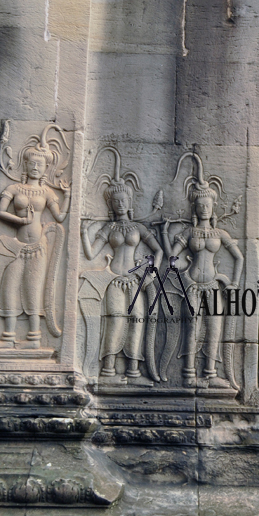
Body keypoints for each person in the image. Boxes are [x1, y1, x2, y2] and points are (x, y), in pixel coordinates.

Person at [81, 147, 164, 383]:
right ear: (111, 204)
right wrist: (85, 232)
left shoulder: (138, 228)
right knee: (116, 318)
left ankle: (133, 369)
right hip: (114, 278)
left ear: (129, 202)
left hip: (136, 280)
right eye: (115, 201)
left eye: (123, 200)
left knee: (137, 319)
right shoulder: (109, 228)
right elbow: (90, 253)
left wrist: (151, 271)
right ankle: (108, 368)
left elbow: (157, 251)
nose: (119, 204)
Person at [162, 153, 243, 389]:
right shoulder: (189, 233)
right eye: (200, 205)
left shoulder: (220, 234)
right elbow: (171, 259)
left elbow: (238, 258)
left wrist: (233, 283)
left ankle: (210, 372)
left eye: (208, 205)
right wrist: (167, 239)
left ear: (213, 206)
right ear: (195, 208)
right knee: (193, 328)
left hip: (214, 286)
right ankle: (188, 374)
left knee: (214, 327)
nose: (205, 208)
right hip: (193, 284)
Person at [0, 138, 69, 348]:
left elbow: (60, 217)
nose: (35, 167)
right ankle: (8, 335)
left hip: (38, 246)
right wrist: (20, 220)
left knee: (32, 289)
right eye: (32, 163)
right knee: (9, 287)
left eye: (40, 164)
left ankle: (34, 337)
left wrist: (68, 195)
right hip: (15, 245)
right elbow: (0, 211)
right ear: (25, 164)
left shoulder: (47, 192)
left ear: (46, 168)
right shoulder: (14, 188)